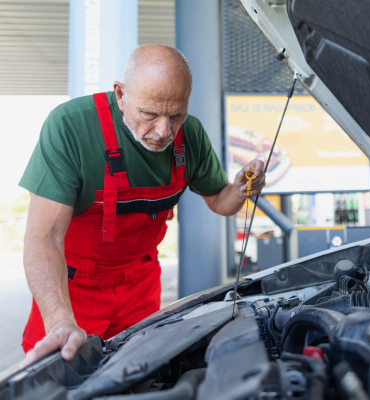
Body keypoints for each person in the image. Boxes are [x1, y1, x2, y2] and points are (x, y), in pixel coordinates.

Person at [18, 45, 265, 367]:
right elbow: (44, 237)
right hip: (74, 290)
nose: (164, 131)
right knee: (63, 378)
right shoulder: (71, 127)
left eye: (176, 114)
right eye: (149, 114)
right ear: (121, 95)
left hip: (141, 284)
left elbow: (220, 202)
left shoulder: (190, 135)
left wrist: (240, 188)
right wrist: (60, 321)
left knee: (140, 374)